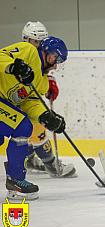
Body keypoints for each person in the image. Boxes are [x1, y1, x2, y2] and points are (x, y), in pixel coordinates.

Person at [0, 36, 68, 199]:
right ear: (47, 52)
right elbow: (1, 55)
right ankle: (16, 180)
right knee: (22, 127)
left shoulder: (42, 82)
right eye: (55, 58)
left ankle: (15, 180)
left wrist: (46, 116)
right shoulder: (28, 51)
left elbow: (30, 103)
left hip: (4, 105)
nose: (56, 65)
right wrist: (13, 67)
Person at [22, 21, 76, 177]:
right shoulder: (24, 55)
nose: (40, 45)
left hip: (23, 99)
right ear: (27, 39)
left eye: (42, 41)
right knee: (37, 125)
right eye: (36, 41)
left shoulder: (39, 58)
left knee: (31, 126)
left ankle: (30, 158)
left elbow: (41, 73)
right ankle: (50, 163)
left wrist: (49, 79)